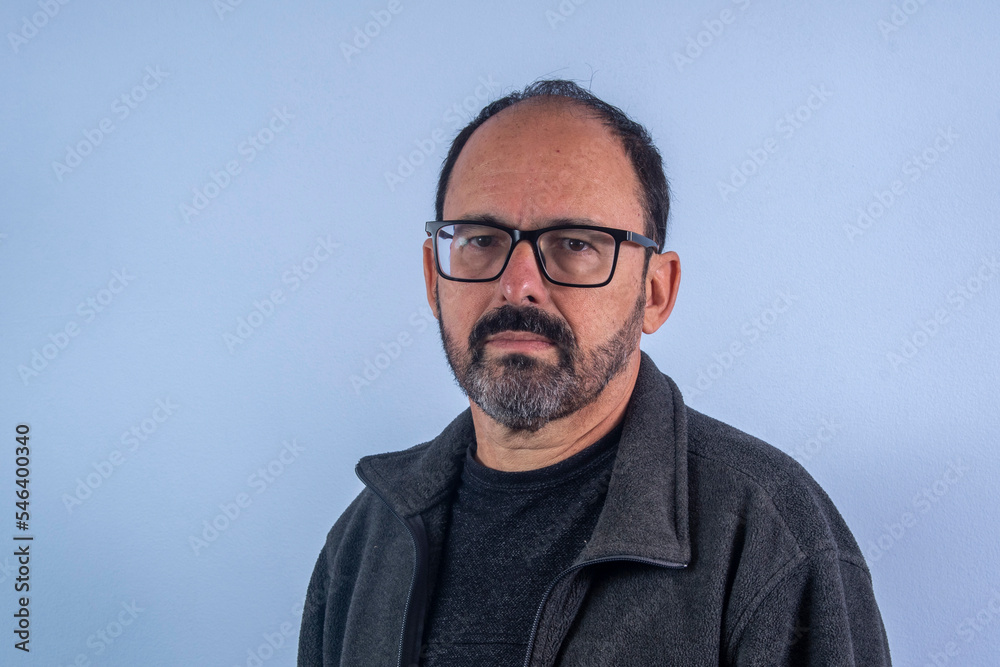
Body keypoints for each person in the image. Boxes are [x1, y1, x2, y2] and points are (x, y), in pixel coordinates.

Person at [298, 79, 891, 666]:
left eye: (576, 244)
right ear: (434, 278)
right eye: (480, 239)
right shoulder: (365, 542)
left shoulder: (770, 537)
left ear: (656, 292)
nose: (518, 285)